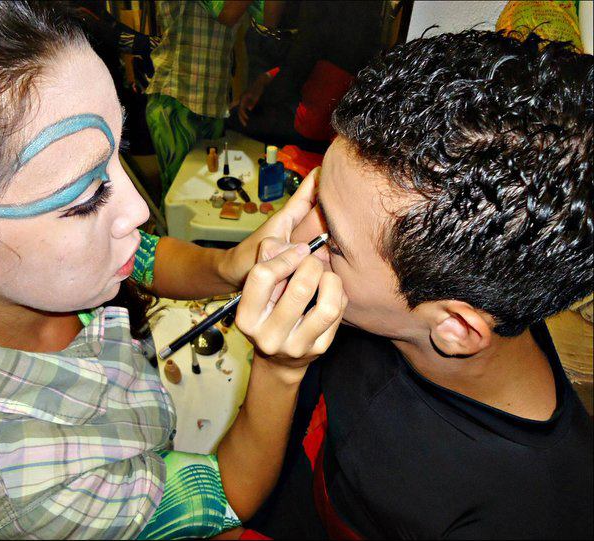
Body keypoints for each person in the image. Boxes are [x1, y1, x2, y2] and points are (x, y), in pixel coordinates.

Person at [0, 1, 346, 539]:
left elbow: (142, 258)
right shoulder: (15, 484)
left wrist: (228, 264)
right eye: (86, 197)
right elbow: (221, 500)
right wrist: (279, 369)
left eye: (118, 153)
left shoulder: (17, 271)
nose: (139, 209)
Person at [248, 29, 594, 539]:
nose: (293, 235)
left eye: (333, 242)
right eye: (317, 194)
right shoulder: (414, 298)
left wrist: (275, 368)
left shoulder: (523, 515)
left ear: (455, 328)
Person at [144, 0, 283, 199]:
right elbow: (227, 15)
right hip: (176, 98)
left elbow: (269, 21)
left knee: (209, 193)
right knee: (179, 198)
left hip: (214, 104)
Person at [228, 1, 384, 153]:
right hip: (345, 122)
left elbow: (304, 58)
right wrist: (268, 78)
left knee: (235, 119)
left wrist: (261, 101)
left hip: (313, 122)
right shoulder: (369, 10)